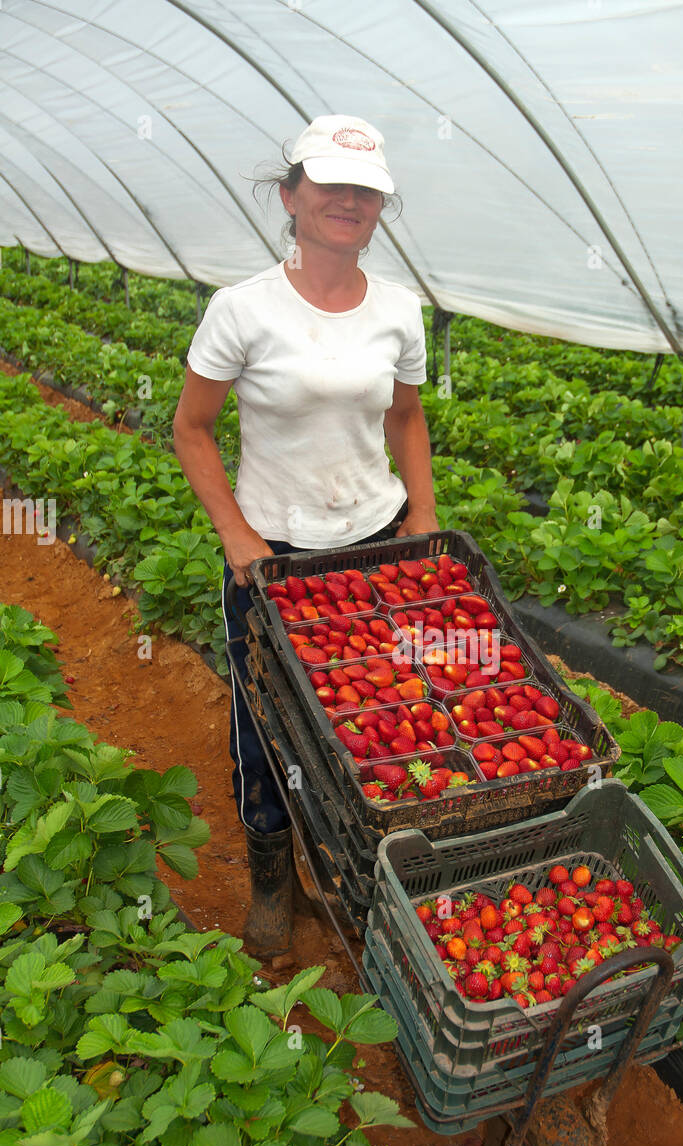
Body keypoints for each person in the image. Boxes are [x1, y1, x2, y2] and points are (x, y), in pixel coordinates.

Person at [173, 114, 437, 959]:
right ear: (290, 196)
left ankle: (355, 864)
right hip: (274, 556)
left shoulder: (399, 310)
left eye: (365, 190)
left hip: (375, 545)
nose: (348, 202)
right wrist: (237, 533)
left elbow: (406, 416)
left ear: (380, 207)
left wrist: (422, 514)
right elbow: (191, 429)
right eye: (329, 185)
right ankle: (271, 876)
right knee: (266, 719)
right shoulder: (241, 310)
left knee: (375, 705)